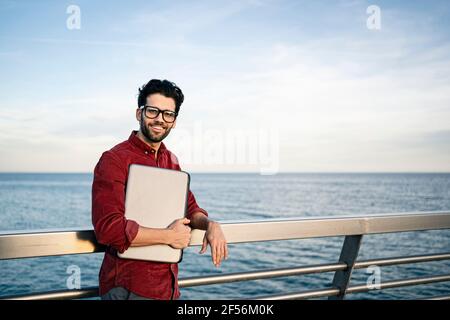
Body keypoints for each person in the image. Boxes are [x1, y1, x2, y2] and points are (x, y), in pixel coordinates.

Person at [91, 79, 228, 300]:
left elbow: (190, 208)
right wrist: (168, 236)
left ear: (174, 121)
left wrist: (210, 225)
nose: (160, 120)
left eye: (168, 114)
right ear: (139, 113)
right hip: (128, 288)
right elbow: (108, 228)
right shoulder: (114, 159)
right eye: (153, 111)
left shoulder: (170, 160)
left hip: (168, 287)